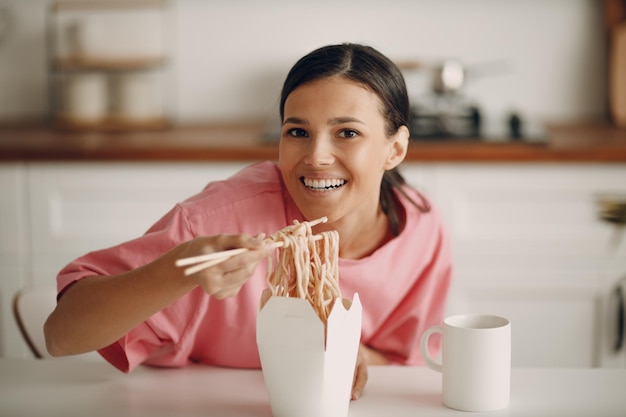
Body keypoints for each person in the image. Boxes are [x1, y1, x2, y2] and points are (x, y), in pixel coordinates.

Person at [44, 43, 452, 400]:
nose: (316, 157)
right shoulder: (217, 221)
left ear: (395, 149)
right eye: (297, 132)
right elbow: (61, 335)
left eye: (347, 133)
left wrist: (352, 352)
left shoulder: (420, 228)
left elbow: (404, 361)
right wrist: (180, 268)